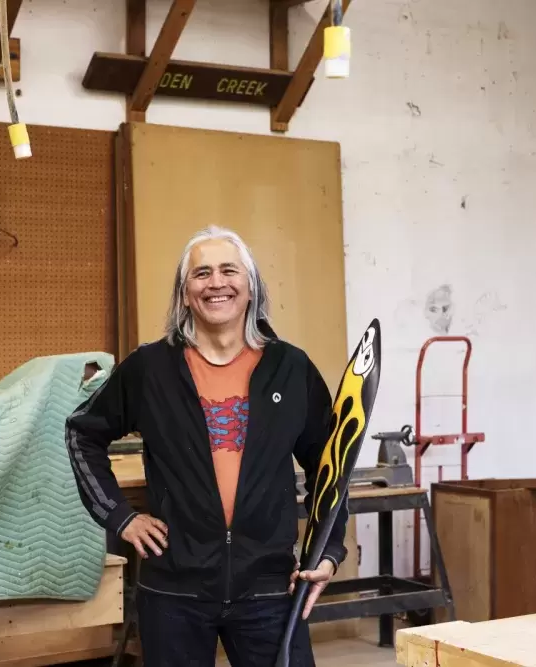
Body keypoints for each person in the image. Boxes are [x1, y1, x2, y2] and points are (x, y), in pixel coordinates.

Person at [65, 225, 348, 667]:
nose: (216, 283)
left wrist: (328, 551)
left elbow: (331, 466)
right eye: (201, 274)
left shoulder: (291, 369)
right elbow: (83, 431)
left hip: (270, 587)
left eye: (229, 271)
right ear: (184, 293)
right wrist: (120, 516)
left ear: (251, 287)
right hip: (175, 589)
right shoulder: (150, 369)